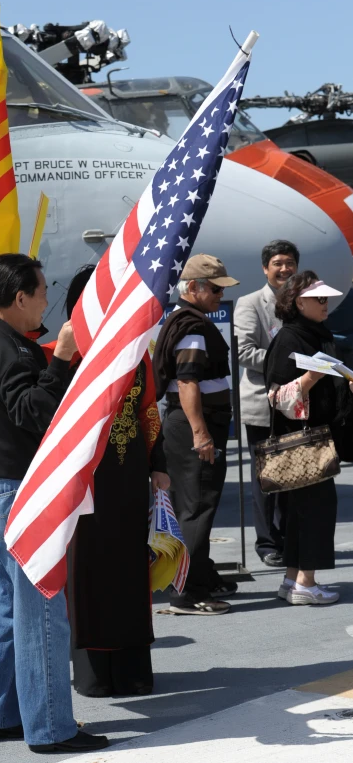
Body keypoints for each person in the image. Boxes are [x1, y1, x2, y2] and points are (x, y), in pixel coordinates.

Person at [0, 254, 108, 753]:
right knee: (42, 611)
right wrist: (62, 359)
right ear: (20, 298)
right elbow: (30, 411)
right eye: (43, 290)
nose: (49, 298)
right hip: (15, 494)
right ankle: (49, 727)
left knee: (2, 610)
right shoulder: (12, 351)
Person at [51, 266, 169, 698]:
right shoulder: (61, 355)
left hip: (130, 479)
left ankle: (134, 666)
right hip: (83, 485)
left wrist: (159, 463)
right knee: (88, 573)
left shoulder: (137, 353)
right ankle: (94, 670)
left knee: (130, 571)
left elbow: (150, 411)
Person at [153, 253, 239, 616]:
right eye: (215, 288)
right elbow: (187, 381)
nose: (221, 294)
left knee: (195, 504)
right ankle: (186, 592)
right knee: (195, 508)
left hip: (186, 425)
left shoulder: (185, 320)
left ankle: (201, 576)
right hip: (194, 428)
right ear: (192, 288)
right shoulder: (192, 327)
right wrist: (201, 434)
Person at [264, 271, 351, 606]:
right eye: (319, 299)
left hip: (313, 438)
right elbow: (277, 396)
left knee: (302, 512)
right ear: (299, 302)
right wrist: (312, 376)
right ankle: (306, 582)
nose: (325, 304)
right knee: (316, 510)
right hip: (303, 441)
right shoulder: (290, 339)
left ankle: (292, 580)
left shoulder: (313, 333)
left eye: (326, 298)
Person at [234, 240, 299, 567]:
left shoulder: (301, 302)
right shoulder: (249, 303)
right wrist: (289, 363)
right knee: (266, 478)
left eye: (290, 263)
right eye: (278, 263)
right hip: (263, 404)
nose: (285, 269)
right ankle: (267, 543)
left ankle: (288, 538)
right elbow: (244, 352)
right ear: (265, 268)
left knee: (293, 475)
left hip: (297, 404)